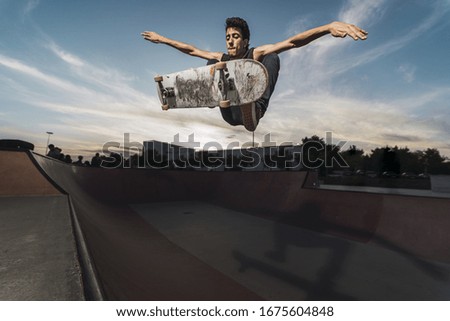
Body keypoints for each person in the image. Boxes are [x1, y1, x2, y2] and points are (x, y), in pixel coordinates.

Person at [142, 17, 367, 131]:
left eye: (236, 36)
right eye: (228, 37)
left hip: (251, 112)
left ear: (246, 40)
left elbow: (292, 42)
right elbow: (190, 49)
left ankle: (255, 106)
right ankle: (211, 97)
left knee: (273, 56)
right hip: (229, 112)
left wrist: (327, 28)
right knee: (212, 61)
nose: (231, 40)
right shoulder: (223, 57)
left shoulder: (254, 52)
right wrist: (162, 39)